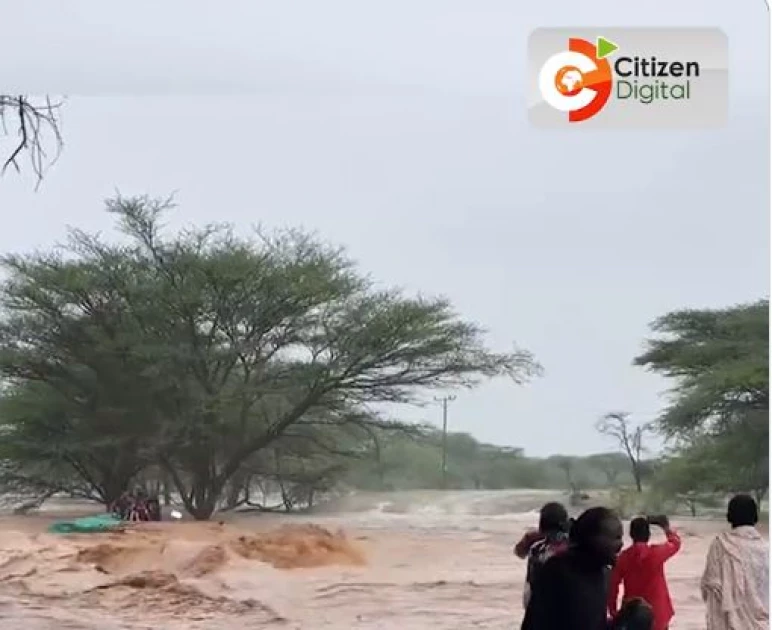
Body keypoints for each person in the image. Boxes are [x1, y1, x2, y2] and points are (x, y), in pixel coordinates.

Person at [521, 506, 624, 630]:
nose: (621, 544)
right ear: (593, 537)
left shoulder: (604, 574)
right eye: (616, 537)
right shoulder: (559, 571)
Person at [701, 494, 769, 630]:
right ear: (755, 516)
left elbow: (710, 587)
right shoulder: (766, 549)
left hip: (728, 624)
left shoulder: (720, 545)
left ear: (729, 516)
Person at [608, 514, 681, 630]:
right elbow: (675, 543)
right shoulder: (657, 553)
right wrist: (666, 527)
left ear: (631, 534)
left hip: (632, 615)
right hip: (658, 612)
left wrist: (613, 611)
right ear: (648, 535)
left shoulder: (623, 558)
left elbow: (612, 586)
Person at [522, 502, 571, 607]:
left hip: (539, 603)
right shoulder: (573, 546)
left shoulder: (536, 547)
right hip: (566, 604)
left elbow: (519, 553)